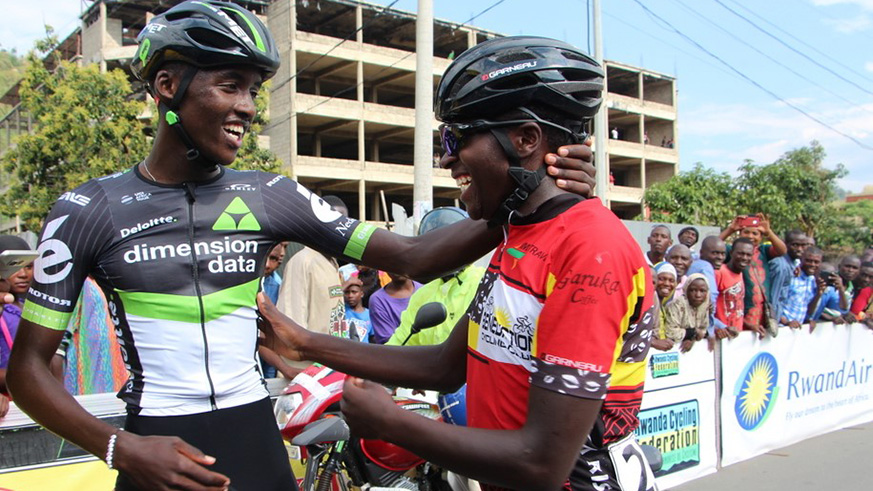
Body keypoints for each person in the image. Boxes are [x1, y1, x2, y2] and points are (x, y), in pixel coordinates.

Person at [6, 6, 600, 490]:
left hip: (254, 440)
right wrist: (122, 448)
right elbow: (28, 369)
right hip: (150, 445)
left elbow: (415, 258)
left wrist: (536, 191)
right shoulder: (86, 211)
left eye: (254, 90)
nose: (247, 107)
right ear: (167, 85)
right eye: (230, 84)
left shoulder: (271, 196)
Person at [257, 36, 657, 490]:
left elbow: (543, 464)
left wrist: (393, 424)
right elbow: (446, 366)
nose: (446, 157)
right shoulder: (518, 233)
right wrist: (305, 343)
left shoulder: (589, 250)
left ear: (526, 138)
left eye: (457, 137)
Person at [386, 207, 485, 348]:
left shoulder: (484, 283)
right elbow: (400, 343)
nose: (439, 253)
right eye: (433, 247)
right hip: (429, 369)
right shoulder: (422, 295)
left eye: (447, 245)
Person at [275, 195, 348, 367]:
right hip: (308, 374)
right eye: (334, 222)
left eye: (345, 224)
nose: (342, 229)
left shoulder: (333, 263)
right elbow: (291, 329)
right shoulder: (303, 261)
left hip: (332, 369)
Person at [720, 214, 786, 337]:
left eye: (755, 234)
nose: (750, 236)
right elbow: (713, 245)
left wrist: (769, 232)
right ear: (740, 234)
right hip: (741, 314)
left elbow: (782, 250)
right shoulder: (733, 251)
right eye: (746, 232)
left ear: (761, 237)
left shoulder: (763, 251)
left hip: (762, 314)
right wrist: (730, 229)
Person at [259, 242, 298, 379]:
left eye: (274, 259)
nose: (268, 265)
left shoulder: (277, 287)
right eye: (266, 258)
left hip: (270, 354)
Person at [715, 238, 755, 338]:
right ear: (732, 252)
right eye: (740, 253)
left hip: (736, 336)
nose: (744, 258)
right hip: (720, 336)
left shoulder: (740, 273)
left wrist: (748, 325)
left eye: (748, 255)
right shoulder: (719, 272)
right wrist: (717, 327)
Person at [368, 272, 422, 344]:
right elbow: (387, 341)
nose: (397, 269)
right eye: (392, 264)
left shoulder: (424, 290)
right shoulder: (378, 300)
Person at [663, 273, 711, 353]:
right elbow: (671, 332)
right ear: (686, 290)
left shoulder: (704, 305)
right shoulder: (677, 305)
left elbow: (703, 329)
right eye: (693, 290)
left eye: (702, 291)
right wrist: (693, 333)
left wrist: (692, 338)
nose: (698, 295)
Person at [768, 230, 807, 324]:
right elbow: (773, 298)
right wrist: (773, 321)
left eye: (803, 245)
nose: (799, 249)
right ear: (785, 244)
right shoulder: (780, 266)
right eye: (795, 245)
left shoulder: (794, 264)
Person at [779, 247, 822, 329]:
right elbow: (774, 302)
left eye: (816, 262)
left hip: (797, 330)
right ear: (801, 259)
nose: (812, 264)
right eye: (808, 260)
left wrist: (819, 294)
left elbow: (807, 308)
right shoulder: (791, 275)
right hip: (781, 327)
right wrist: (787, 322)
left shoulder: (813, 281)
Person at [809, 262, 849, 330]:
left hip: (813, 326)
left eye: (832, 275)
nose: (829, 278)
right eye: (826, 274)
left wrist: (841, 289)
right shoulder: (809, 285)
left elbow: (842, 309)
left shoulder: (829, 290)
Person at [652, 262, 678, 351]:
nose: (667, 284)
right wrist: (654, 342)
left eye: (671, 280)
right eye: (662, 279)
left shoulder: (665, 306)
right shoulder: (647, 304)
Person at [343, 277, 371, 343]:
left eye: (354, 292)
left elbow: (373, 338)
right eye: (347, 292)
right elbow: (330, 298)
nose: (350, 295)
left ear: (362, 294)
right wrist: (348, 283)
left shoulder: (370, 314)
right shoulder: (342, 310)